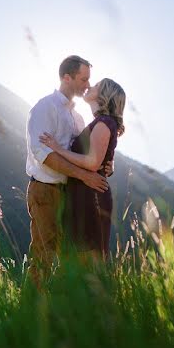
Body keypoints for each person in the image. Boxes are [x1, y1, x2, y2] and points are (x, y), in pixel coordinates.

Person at [25, 55, 109, 285]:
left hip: (71, 193)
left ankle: (59, 310)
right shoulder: (45, 107)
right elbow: (43, 154)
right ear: (66, 77)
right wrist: (83, 175)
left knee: (71, 255)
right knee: (44, 253)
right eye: (83, 79)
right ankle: (32, 307)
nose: (88, 86)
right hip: (45, 189)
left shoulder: (78, 117)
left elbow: (83, 155)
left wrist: (103, 166)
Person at [40, 78, 126, 262]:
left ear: (104, 95)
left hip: (90, 195)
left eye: (96, 86)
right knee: (80, 259)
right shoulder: (100, 122)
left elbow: (93, 162)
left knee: (87, 258)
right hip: (82, 192)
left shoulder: (104, 122)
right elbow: (101, 159)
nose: (90, 86)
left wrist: (58, 149)